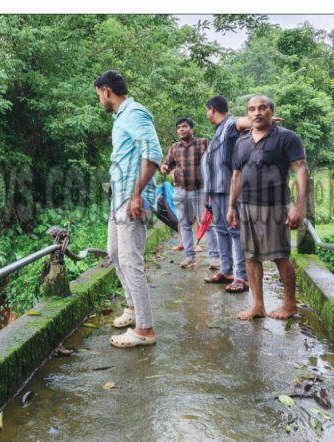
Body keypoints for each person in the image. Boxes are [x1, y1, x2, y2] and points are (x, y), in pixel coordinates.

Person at [94, 70, 161, 348]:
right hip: (119, 198)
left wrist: (136, 196)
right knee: (114, 254)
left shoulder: (134, 113)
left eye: (98, 94)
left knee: (132, 261)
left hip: (132, 200)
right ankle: (133, 308)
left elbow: (153, 154)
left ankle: (145, 330)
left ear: (106, 91)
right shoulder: (122, 117)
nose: (99, 99)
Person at [226, 94, 310, 320]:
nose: (257, 112)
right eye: (252, 109)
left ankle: (290, 304)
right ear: (248, 114)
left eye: (262, 108)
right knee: (250, 257)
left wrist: (298, 207)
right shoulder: (241, 141)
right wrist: (231, 206)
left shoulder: (286, 138)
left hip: (274, 207)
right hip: (247, 207)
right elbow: (237, 174)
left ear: (271, 112)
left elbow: (301, 170)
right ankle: (258, 306)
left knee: (280, 256)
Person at [201, 95, 251, 293]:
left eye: (207, 111)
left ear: (211, 109)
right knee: (221, 230)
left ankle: (242, 277)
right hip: (216, 191)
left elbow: (242, 122)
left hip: (230, 189)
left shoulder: (230, 124)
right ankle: (227, 270)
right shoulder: (217, 132)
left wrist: (259, 120)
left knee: (235, 231)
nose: (207, 114)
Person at [160, 117, 220, 269]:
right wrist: (165, 168)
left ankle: (215, 257)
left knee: (205, 223)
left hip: (200, 190)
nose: (181, 129)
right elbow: (167, 163)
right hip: (181, 191)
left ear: (191, 129)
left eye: (184, 126)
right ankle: (189, 256)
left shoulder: (203, 143)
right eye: (179, 127)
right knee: (185, 223)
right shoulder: (174, 148)